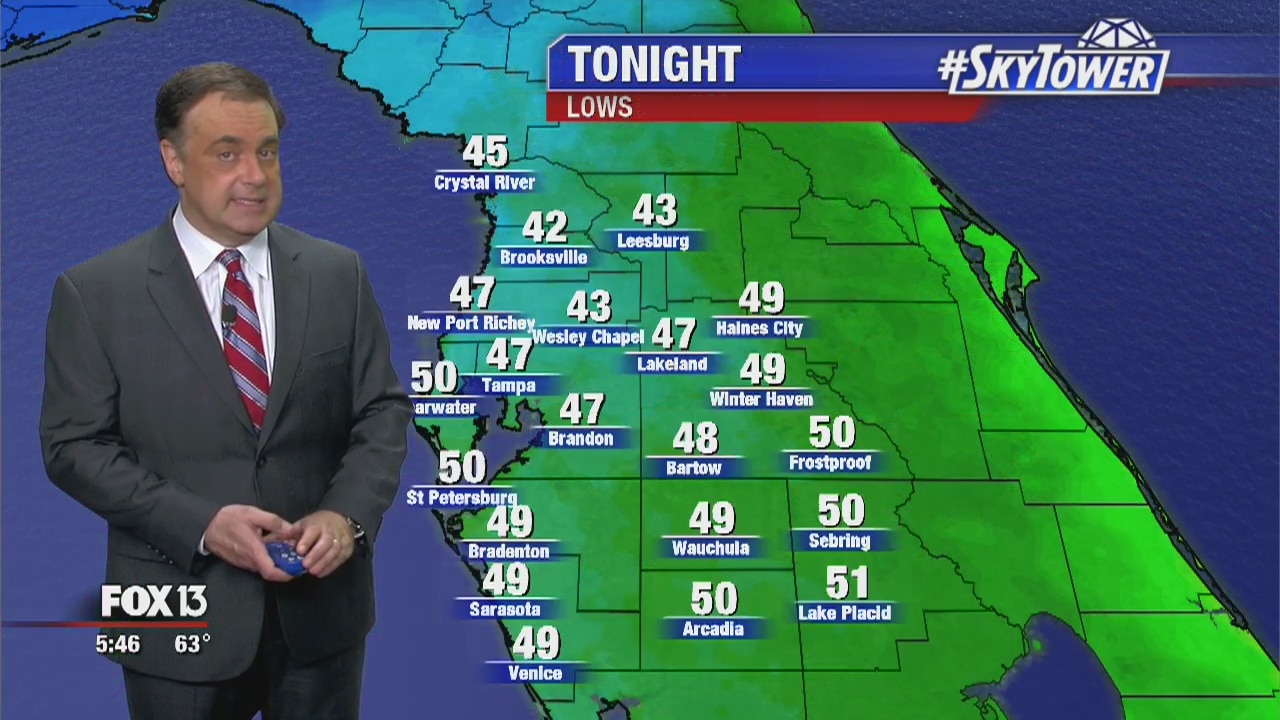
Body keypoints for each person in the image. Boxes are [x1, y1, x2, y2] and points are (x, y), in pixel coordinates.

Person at [38, 62, 413, 720]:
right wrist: (204, 527)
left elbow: (380, 412)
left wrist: (346, 517)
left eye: (267, 151)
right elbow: (73, 448)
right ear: (173, 161)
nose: (255, 175)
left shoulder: (338, 274)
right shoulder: (94, 294)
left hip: (322, 621)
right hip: (173, 617)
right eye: (227, 153)